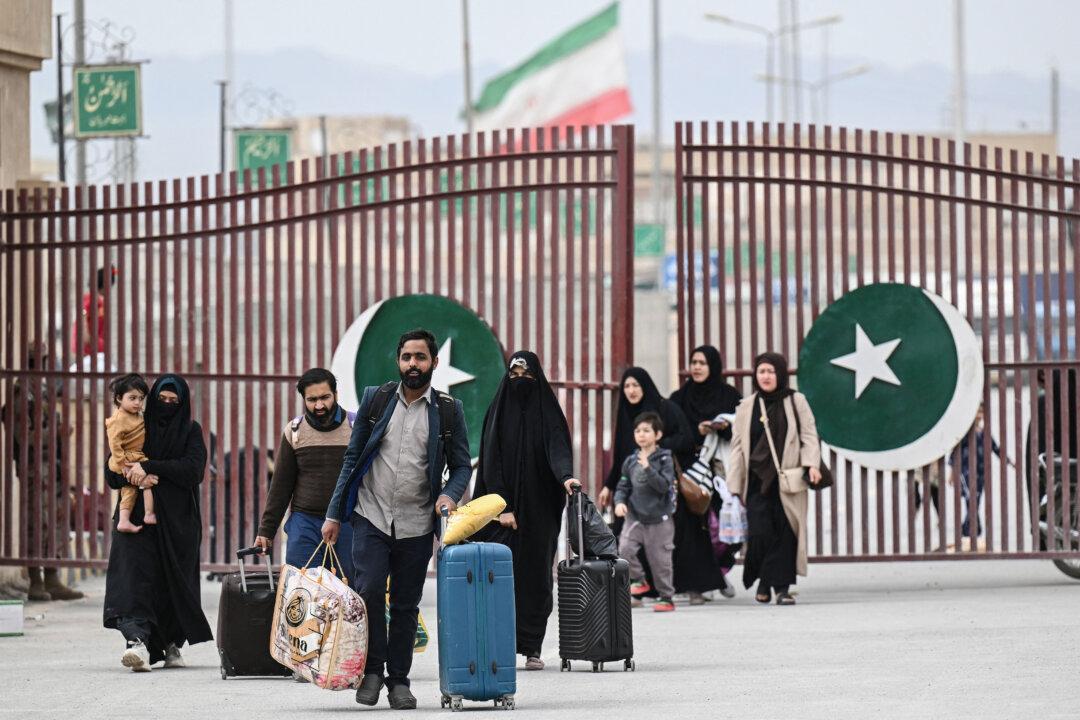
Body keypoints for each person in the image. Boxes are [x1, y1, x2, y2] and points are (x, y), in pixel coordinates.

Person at [322, 329, 471, 710]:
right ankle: (372, 671)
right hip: (370, 516)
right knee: (370, 590)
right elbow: (352, 461)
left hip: (417, 524)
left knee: (406, 605)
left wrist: (448, 495)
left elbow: (459, 469)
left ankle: (399, 681)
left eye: (420, 358)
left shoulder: (449, 411)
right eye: (407, 357)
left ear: (434, 363)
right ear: (398, 360)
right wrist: (334, 514)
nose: (413, 365)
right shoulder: (377, 400)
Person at [473, 351, 581, 669]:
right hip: (501, 513)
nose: (520, 381)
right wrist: (502, 505)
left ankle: (532, 646)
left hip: (538, 512)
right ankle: (501, 646)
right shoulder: (498, 411)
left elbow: (558, 448)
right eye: (514, 374)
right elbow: (491, 461)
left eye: (527, 375)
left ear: (538, 377)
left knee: (536, 579)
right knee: (499, 579)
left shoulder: (548, 411)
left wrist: (566, 477)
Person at [103, 374, 213, 671]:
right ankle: (136, 642)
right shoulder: (139, 426)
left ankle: (170, 644)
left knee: (172, 583)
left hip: (179, 522)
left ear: (183, 403)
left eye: (173, 402)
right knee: (133, 579)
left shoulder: (190, 431)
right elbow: (112, 473)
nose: (166, 406)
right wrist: (133, 473)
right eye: (161, 400)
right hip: (137, 519)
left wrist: (149, 467)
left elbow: (193, 470)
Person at [726, 353, 821, 606]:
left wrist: (812, 463)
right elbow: (737, 447)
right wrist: (734, 484)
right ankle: (765, 580)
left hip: (788, 479)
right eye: (761, 371)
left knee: (786, 532)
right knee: (761, 533)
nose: (766, 376)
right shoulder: (747, 406)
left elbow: (809, 434)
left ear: (780, 373)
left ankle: (781, 588)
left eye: (771, 371)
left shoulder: (795, 401)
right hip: (757, 481)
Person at [599, 367, 694, 601]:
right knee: (626, 544)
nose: (631, 391)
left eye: (636, 385)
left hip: (659, 496)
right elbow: (621, 456)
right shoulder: (624, 414)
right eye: (627, 386)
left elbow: (686, 439)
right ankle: (635, 588)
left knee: (659, 550)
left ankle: (663, 592)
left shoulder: (664, 408)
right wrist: (609, 486)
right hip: (633, 493)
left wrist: (652, 450)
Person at [254, 368, 355, 583]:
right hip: (305, 524)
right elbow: (281, 485)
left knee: (348, 593)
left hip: (348, 523)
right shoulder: (294, 431)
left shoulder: (355, 428)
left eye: (325, 397)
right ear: (304, 399)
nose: (319, 405)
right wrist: (266, 530)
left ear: (335, 395)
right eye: (312, 399)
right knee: (302, 591)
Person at [4, 343, 82, 601]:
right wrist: (54, 433)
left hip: (53, 468)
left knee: (56, 523)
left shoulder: (42, 392)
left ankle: (52, 577)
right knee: (36, 524)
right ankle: (35, 581)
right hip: (33, 470)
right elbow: (23, 437)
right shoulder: (20, 394)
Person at [668, 345, 743, 599]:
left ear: (713, 366)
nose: (697, 367)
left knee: (727, 525)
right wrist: (696, 431)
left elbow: (742, 430)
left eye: (702, 362)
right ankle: (704, 579)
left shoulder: (730, 395)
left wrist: (722, 428)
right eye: (694, 362)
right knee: (698, 528)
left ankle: (719, 570)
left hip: (723, 469)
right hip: (692, 471)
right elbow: (671, 432)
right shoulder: (679, 398)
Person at [614, 411, 677, 613]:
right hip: (635, 517)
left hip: (660, 520)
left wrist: (649, 468)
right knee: (624, 549)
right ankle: (639, 580)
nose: (641, 434)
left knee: (661, 561)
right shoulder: (630, 461)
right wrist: (619, 502)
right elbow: (623, 486)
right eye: (638, 430)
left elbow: (664, 486)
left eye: (646, 430)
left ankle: (666, 597)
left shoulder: (665, 459)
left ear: (657, 435)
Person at [106, 373, 154, 533]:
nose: (138, 402)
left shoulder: (138, 415)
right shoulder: (118, 419)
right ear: (119, 398)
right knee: (145, 481)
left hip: (135, 457)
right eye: (132, 398)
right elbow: (115, 444)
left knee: (130, 490)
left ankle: (129, 519)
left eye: (141, 398)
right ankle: (145, 514)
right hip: (125, 459)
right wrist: (123, 465)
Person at [72, 266, 115, 357]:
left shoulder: (96, 301)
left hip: (94, 350)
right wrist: (86, 335)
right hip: (89, 352)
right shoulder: (92, 300)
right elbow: (83, 313)